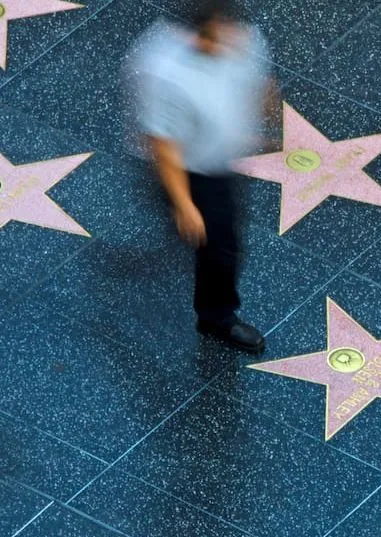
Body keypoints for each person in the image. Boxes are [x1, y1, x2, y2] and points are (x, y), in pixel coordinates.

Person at [130, 0, 274, 353]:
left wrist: (260, 114)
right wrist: (184, 204)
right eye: (213, 39)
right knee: (220, 247)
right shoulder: (165, 73)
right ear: (196, 35)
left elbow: (261, 84)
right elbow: (164, 147)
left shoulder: (246, 42)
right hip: (193, 169)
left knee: (216, 238)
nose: (225, 46)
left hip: (220, 158)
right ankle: (216, 318)